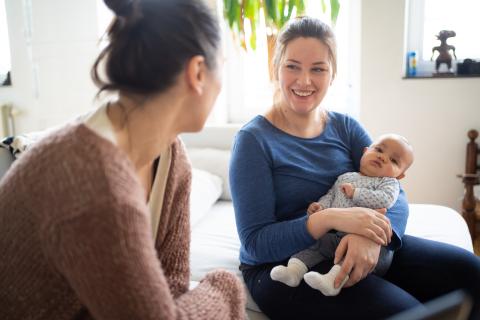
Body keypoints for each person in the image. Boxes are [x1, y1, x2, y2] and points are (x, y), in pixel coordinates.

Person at [0, 0, 245, 319]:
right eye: (222, 66)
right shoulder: (92, 181)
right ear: (197, 72)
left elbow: (170, 288)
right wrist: (226, 288)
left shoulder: (173, 162)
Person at [229, 16, 480, 319]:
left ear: (332, 74)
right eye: (292, 66)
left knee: (471, 273)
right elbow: (256, 244)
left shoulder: (345, 127)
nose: (304, 81)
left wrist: (371, 237)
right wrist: (332, 218)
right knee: (409, 313)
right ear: (275, 68)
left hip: (347, 242)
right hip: (282, 266)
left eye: (318, 69)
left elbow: (393, 190)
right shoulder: (253, 141)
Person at [270, 134, 414, 296]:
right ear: (365, 151)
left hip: (369, 241)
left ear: (400, 175)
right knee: (316, 243)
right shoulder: (345, 177)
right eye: (379, 150)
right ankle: (294, 271)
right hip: (336, 235)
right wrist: (320, 207)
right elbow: (331, 195)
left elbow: (385, 200)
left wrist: (356, 193)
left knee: (349, 257)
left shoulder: (388, 183)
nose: (382, 157)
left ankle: (332, 282)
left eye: (394, 161)